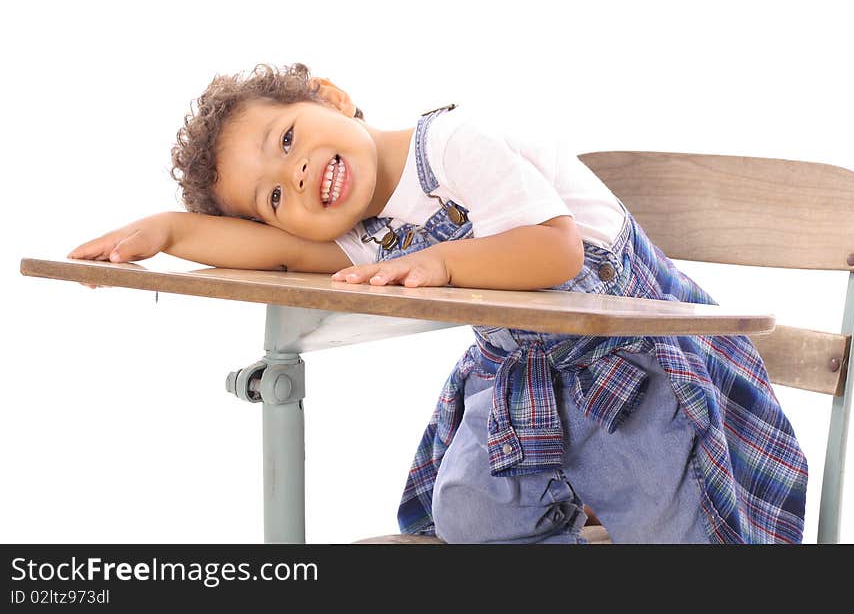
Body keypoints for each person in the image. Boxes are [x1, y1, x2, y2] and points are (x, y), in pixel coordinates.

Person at [69, 63, 808, 543]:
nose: (296, 174)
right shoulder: (363, 231)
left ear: (331, 95)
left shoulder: (450, 143)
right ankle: (571, 503)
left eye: (288, 137)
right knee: (468, 511)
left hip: (633, 363)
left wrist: (442, 260)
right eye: (272, 196)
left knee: (674, 523)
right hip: (528, 376)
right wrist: (165, 232)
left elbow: (557, 250)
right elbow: (280, 253)